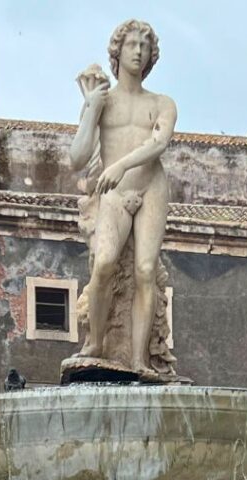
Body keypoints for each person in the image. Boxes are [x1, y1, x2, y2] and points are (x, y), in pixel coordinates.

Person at [69, 19, 177, 374]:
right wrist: (90, 110)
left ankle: (138, 359)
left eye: (145, 47)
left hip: (150, 187)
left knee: (145, 270)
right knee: (104, 264)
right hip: (113, 194)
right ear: (117, 51)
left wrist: (120, 166)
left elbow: (159, 143)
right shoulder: (104, 100)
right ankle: (96, 342)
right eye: (131, 44)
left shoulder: (162, 103)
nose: (138, 52)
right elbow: (77, 158)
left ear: (151, 57)